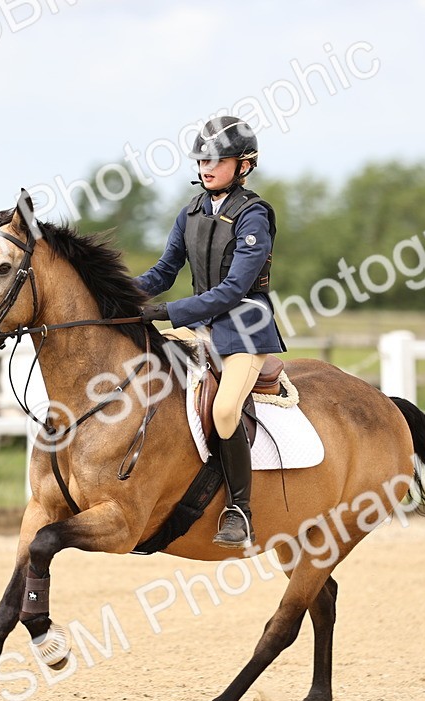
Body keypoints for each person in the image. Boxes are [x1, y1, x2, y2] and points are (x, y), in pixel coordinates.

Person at [136, 115, 286, 549]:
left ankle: (240, 510)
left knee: (223, 412)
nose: (206, 167)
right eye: (201, 159)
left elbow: (234, 288)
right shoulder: (192, 212)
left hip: (245, 329)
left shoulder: (253, 215)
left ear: (243, 165)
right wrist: (115, 293)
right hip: (201, 327)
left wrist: (168, 312)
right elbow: (164, 271)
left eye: (216, 160)